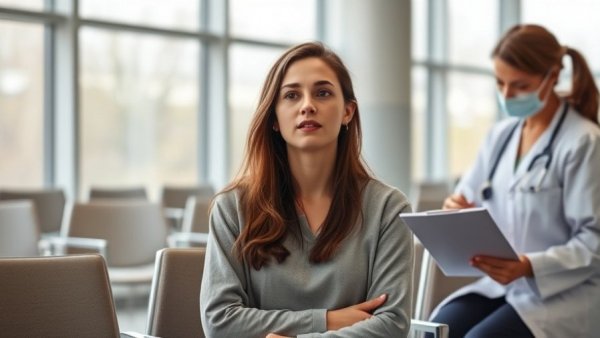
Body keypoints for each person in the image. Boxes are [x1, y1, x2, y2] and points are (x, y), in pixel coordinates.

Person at [200, 42, 414, 338]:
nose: (307, 105)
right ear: (274, 117)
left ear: (347, 112)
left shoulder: (388, 208)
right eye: (291, 95)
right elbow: (220, 321)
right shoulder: (232, 206)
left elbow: (392, 325)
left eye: (323, 93)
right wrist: (325, 321)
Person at [432, 24, 600, 338]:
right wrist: (456, 209)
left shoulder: (583, 142)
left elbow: (594, 242)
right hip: (502, 287)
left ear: (551, 77)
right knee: (439, 329)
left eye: (520, 85)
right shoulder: (500, 136)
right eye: (500, 83)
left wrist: (529, 265)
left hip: (564, 294)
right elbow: (468, 199)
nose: (507, 95)